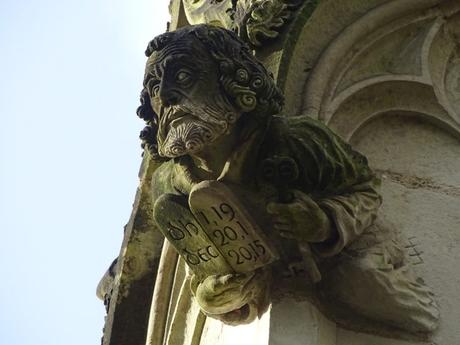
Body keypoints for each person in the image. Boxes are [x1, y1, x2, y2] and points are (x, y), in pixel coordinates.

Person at [133, 24, 438, 332]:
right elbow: (203, 262)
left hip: (344, 263)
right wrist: (212, 295)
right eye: (155, 89)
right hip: (267, 282)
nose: (167, 96)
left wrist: (324, 220)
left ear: (228, 78)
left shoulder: (293, 139)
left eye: (183, 76)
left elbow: (366, 190)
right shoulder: (170, 186)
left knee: (360, 281)